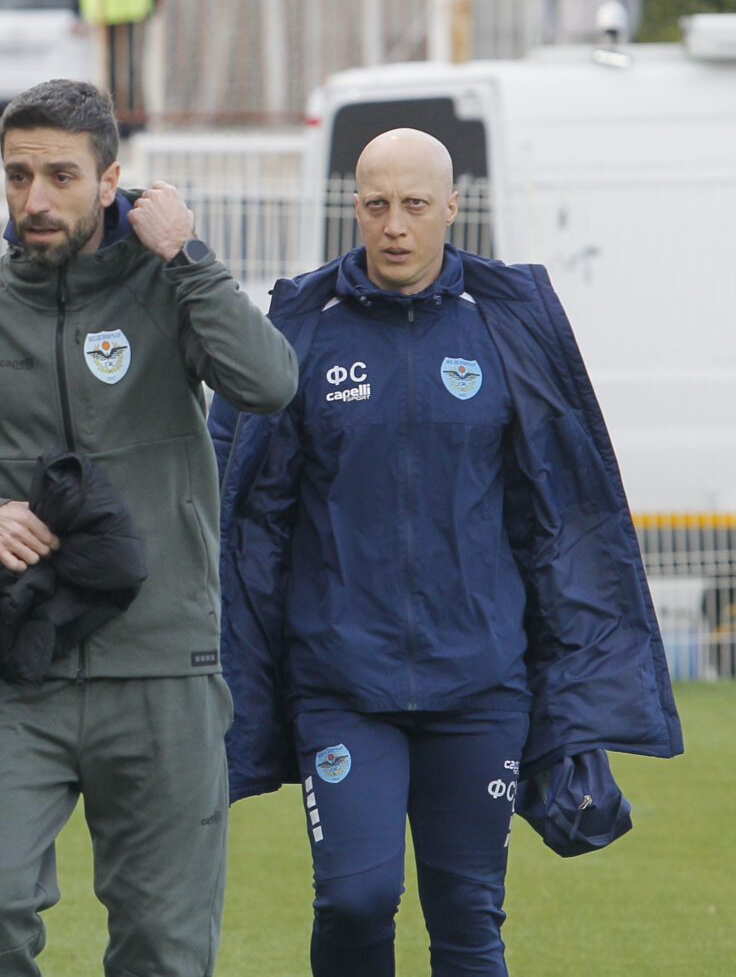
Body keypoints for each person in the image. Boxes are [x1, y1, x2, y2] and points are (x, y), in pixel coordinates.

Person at [213, 127, 682, 975]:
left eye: (415, 205)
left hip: (481, 682)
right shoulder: (303, 334)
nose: (395, 225)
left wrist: (567, 675)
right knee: (355, 899)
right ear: (355, 208)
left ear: (452, 208)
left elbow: (558, 520)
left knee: (468, 919)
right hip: (341, 682)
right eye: (376, 205)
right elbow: (252, 522)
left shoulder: (502, 333)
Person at [0, 78, 299, 976]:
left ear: (111, 180)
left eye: (61, 176)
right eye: (18, 175)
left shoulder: (168, 284)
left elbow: (269, 384)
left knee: (161, 941)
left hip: (161, 666)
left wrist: (188, 255)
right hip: (11, 663)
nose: (35, 199)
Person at [79, 0, 159, 129]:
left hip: (133, 7)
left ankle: (134, 117)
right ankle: (117, 117)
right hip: (105, 10)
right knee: (112, 68)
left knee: (132, 67)